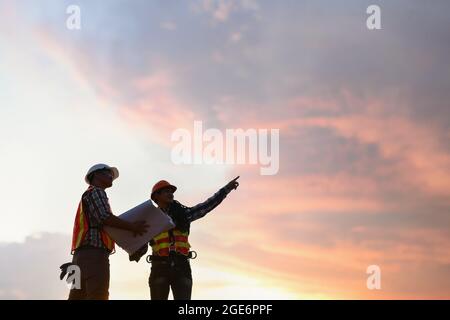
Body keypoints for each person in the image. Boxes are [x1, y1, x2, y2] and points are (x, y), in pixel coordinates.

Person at [131, 176, 240, 300]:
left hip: (181, 266)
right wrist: (136, 252)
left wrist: (226, 189)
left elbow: (206, 206)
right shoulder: (150, 220)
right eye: (166, 191)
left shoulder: (184, 215)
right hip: (159, 267)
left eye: (171, 192)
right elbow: (142, 244)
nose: (170, 194)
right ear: (156, 197)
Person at [68, 163, 148, 300]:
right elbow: (105, 218)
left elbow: (104, 224)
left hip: (78, 258)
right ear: (96, 175)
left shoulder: (88, 195)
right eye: (108, 173)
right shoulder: (97, 192)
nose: (111, 176)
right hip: (94, 256)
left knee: (77, 297)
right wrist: (133, 227)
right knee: (98, 295)